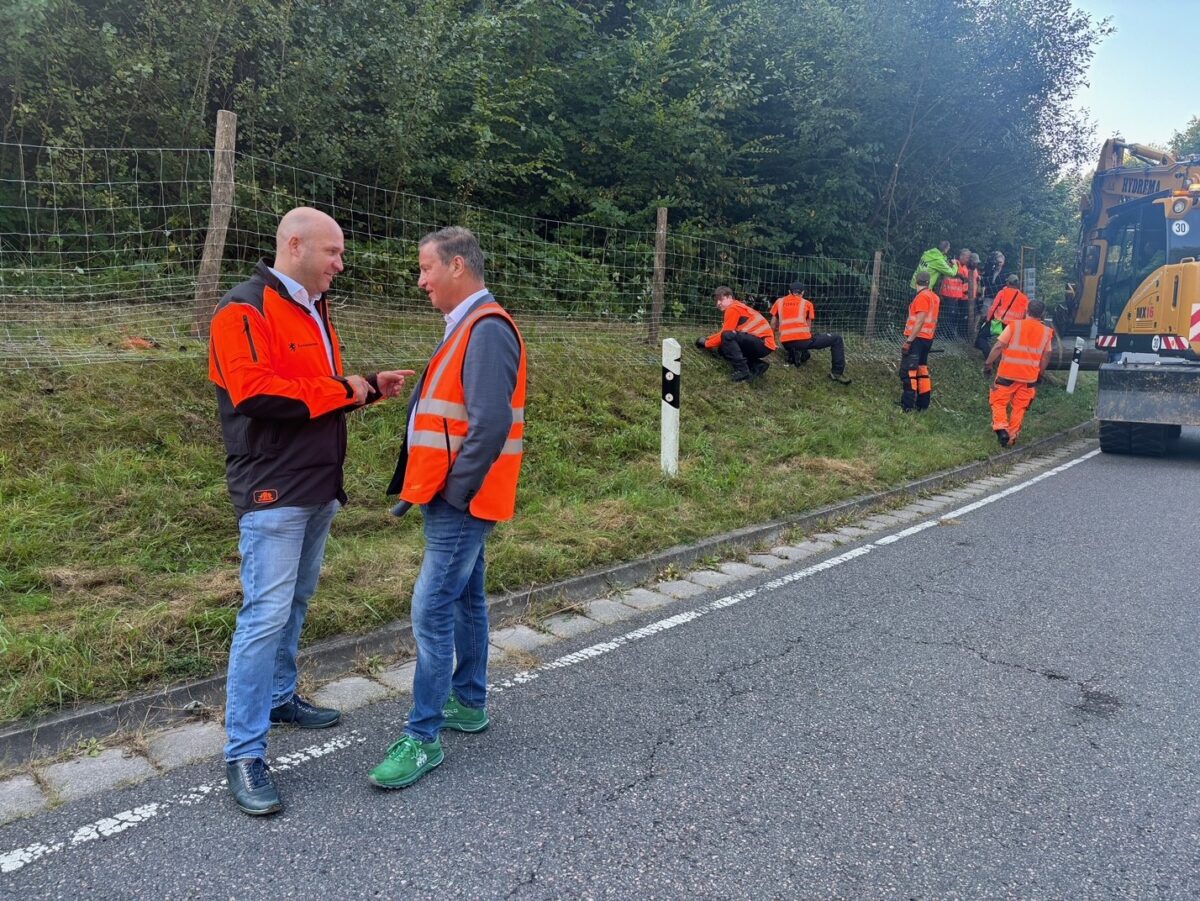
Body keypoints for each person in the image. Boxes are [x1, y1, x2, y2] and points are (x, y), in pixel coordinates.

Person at [209, 207, 413, 816]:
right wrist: (344, 388)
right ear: (293, 245)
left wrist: (366, 386)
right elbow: (257, 392)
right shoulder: (241, 309)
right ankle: (244, 752)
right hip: (272, 488)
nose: (340, 264)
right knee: (264, 614)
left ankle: (279, 697)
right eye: (333, 252)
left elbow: (314, 391)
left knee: (294, 602)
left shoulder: (315, 309)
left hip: (320, 483)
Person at [369, 226, 527, 790]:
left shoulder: (485, 330)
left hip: (461, 500)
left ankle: (423, 736)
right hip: (455, 495)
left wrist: (455, 493)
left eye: (426, 268)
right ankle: (469, 702)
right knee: (464, 599)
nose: (421, 280)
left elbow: (490, 423)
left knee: (431, 608)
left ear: (458, 266)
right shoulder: (469, 325)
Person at [984, 298, 1054, 447]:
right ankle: (1011, 437)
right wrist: (1039, 374)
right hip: (1029, 377)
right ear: (1042, 314)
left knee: (999, 401)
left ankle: (1001, 428)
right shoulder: (1046, 332)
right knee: (1020, 407)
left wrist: (988, 363)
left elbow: (998, 346)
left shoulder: (1014, 326)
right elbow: (1047, 355)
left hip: (1007, 374)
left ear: (1026, 310)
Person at [769, 281, 851, 384]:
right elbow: (808, 327)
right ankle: (837, 373)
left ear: (789, 291)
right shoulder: (807, 304)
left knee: (802, 350)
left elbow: (772, 324)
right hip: (803, 341)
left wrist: (771, 342)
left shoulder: (779, 302)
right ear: (802, 292)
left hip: (786, 342)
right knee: (836, 339)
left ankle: (795, 353)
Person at [695, 286, 776, 382]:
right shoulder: (737, 307)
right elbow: (724, 333)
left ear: (729, 297)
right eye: (716, 301)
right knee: (724, 347)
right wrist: (708, 338)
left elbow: (725, 335)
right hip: (763, 344)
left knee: (727, 338)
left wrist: (706, 343)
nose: (718, 303)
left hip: (762, 343)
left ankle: (742, 370)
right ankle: (757, 365)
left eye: (721, 299)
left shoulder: (733, 308)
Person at [899, 271, 940, 412]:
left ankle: (907, 405)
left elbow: (920, 320)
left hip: (917, 339)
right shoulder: (935, 297)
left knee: (909, 371)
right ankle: (923, 404)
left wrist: (909, 341)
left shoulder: (922, 297)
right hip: (927, 339)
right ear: (929, 282)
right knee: (922, 370)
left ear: (916, 280)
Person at [974, 273, 1029, 357]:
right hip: (1013, 326)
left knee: (981, 337)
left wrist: (988, 319)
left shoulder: (1002, 292)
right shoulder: (1024, 298)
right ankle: (1003, 360)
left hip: (999, 322)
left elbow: (993, 307)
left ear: (1008, 283)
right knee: (1008, 345)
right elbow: (1026, 314)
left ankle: (989, 357)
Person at [937, 248, 971, 340]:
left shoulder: (965, 267)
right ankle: (944, 334)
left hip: (956, 295)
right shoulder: (953, 262)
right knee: (949, 315)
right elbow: (945, 274)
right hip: (948, 293)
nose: (968, 259)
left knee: (953, 315)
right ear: (961, 256)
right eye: (967, 257)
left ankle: (948, 334)